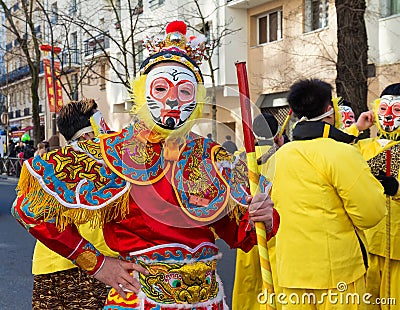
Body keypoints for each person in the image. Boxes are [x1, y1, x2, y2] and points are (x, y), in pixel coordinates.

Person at [12, 20, 278, 310]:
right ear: (142, 93)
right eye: (161, 88)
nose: (173, 100)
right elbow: (30, 207)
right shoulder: (109, 153)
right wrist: (96, 263)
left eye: (185, 91)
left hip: (207, 300)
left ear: (197, 99)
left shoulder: (212, 157)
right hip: (140, 299)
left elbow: (244, 234)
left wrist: (262, 215)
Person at [262, 79, 387, 309]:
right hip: (338, 276)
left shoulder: (279, 158)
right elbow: (372, 213)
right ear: (329, 109)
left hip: (290, 274)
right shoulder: (342, 154)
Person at [28, 99, 118, 309]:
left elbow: (29, 212)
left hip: (47, 267)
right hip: (96, 266)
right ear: (87, 134)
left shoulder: (51, 165)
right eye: (101, 123)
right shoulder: (107, 164)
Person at [353, 83, 400, 309]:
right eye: (384, 110)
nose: (389, 116)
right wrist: (357, 128)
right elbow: (334, 155)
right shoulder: (361, 147)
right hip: (368, 244)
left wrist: (397, 189)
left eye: (397, 111)